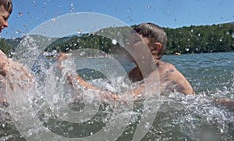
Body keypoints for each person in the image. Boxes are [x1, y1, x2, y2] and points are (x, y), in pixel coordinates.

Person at [58, 23, 194, 101]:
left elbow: (120, 101)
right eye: (127, 42)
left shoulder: (165, 72)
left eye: (134, 41)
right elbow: (108, 92)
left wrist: (71, 74)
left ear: (154, 48)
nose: (127, 46)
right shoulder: (135, 74)